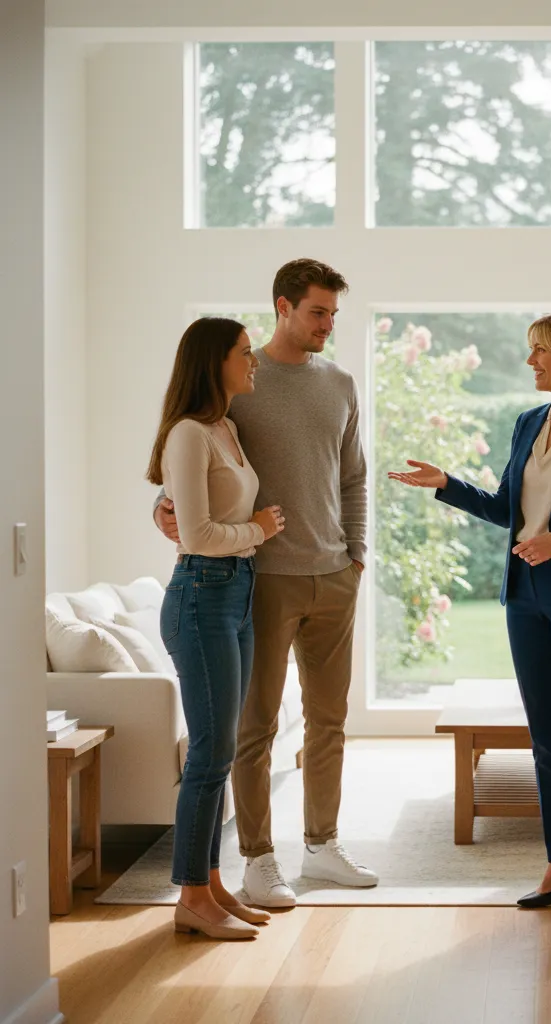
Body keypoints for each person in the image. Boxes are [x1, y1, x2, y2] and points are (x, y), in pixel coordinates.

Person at [389, 310, 551, 928]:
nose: (531, 362)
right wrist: (447, 482)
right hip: (525, 597)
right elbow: (507, 507)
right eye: (530, 351)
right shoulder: (528, 422)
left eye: (541, 352)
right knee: (545, 740)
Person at [154, 259, 377, 909]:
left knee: (329, 721)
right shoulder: (242, 378)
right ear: (283, 306)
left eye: (334, 314)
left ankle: (322, 846)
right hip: (261, 580)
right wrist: (163, 509)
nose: (327, 326)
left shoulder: (339, 382)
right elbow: (190, 462)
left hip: (334, 576)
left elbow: (353, 477)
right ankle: (257, 859)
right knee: (256, 728)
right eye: (317, 312)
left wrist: (355, 555)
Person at [147, 317, 286, 939]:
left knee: (221, 751)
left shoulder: (224, 427)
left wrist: (251, 536)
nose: (252, 360)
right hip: (201, 594)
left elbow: (193, 513)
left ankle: (212, 886)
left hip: (235, 592)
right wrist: (259, 530)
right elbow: (198, 535)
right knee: (208, 755)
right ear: (214, 361)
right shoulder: (187, 433)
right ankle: (191, 897)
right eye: (243, 352)